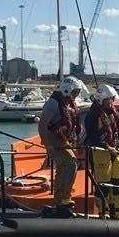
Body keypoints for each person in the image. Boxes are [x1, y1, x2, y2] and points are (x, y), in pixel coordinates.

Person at [37, 76, 84, 215]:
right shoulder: (53, 103)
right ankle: (64, 198)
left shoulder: (67, 102)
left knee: (63, 168)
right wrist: (47, 145)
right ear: (67, 90)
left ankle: (59, 201)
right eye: (74, 92)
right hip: (53, 141)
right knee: (71, 163)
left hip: (63, 140)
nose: (75, 96)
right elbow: (42, 125)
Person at [84, 84, 119, 219]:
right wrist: (107, 147)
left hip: (115, 150)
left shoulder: (113, 111)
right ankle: (104, 212)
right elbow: (92, 135)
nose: (112, 101)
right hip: (100, 151)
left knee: (117, 180)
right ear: (102, 99)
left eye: (112, 99)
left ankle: (117, 211)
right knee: (103, 183)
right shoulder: (92, 114)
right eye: (110, 99)